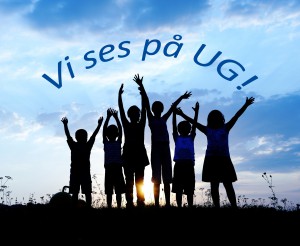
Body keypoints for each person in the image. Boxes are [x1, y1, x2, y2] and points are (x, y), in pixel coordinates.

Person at [176, 96, 255, 208]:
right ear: (210, 120)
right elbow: (194, 122)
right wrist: (182, 114)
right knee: (214, 185)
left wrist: (246, 105)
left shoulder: (225, 128)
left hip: (223, 159)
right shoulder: (208, 130)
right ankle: (217, 207)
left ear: (220, 119)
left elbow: (236, 116)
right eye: (213, 118)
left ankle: (234, 206)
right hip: (212, 160)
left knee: (227, 184)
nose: (215, 119)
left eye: (216, 117)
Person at [134, 73, 192, 207]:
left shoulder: (164, 118)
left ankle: (166, 203)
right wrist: (142, 87)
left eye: (159, 108)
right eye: (156, 108)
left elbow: (172, 107)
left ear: (161, 109)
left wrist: (182, 98)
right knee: (156, 178)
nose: (157, 109)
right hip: (156, 149)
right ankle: (156, 203)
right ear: (155, 110)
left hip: (165, 148)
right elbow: (147, 104)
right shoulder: (151, 119)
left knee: (167, 177)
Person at [118, 80, 149, 208]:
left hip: (138, 154)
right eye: (134, 113)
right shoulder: (126, 124)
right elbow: (121, 109)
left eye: (137, 113)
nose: (136, 114)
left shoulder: (141, 124)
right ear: (130, 115)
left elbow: (144, 107)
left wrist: (142, 88)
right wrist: (119, 96)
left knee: (139, 180)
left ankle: (140, 201)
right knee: (130, 180)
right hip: (129, 154)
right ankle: (130, 202)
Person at [61, 115, 103, 208]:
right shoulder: (86, 146)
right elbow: (94, 135)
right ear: (85, 137)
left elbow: (68, 135)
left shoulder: (74, 146)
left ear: (76, 137)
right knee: (85, 192)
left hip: (77, 173)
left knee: (77, 193)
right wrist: (99, 125)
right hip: (82, 173)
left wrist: (65, 125)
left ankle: (77, 209)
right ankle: (87, 208)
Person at [172, 102, 199, 208]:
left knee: (189, 189)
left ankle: (190, 206)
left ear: (188, 129)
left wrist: (196, 113)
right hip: (180, 165)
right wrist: (174, 114)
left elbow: (195, 125)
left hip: (187, 165)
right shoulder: (177, 137)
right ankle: (180, 206)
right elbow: (174, 126)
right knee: (179, 189)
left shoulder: (190, 137)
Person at [102, 108, 126, 209]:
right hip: (109, 168)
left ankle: (119, 206)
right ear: (108, 135)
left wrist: (116, 118)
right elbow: (104, 130)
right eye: (110, 133)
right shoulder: (106, 142)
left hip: (117, 167)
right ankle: (109, 206)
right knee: (109, 191)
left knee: (119, 190)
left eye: (114, 132)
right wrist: (108, 118)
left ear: (116, 134)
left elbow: (121, 129)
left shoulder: (118, 142)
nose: (112, 134)